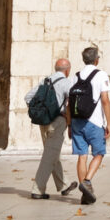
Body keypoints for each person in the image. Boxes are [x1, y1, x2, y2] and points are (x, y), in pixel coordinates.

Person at [26, 52, 77, 199]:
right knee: (49, 156)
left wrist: (42, 112)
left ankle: (64, 185)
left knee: (52, 153)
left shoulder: (46, 81)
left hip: (44, 122)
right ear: (67, 70)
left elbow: (28, 97)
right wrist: (70, 121)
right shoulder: (67, 83)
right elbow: (72, 103)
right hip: (58, 121)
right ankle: (37, 189)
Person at [68, 44, 110, 204]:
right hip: (94, 121)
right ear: (96, 60)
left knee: (82, 156)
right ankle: (87, 181)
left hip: (76, 121)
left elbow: (69, 103)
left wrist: (69, 125)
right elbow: (105, 100)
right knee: (99, 153)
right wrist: (109, 123)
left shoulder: (76, 76)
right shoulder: (101, 75)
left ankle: (84, 195)